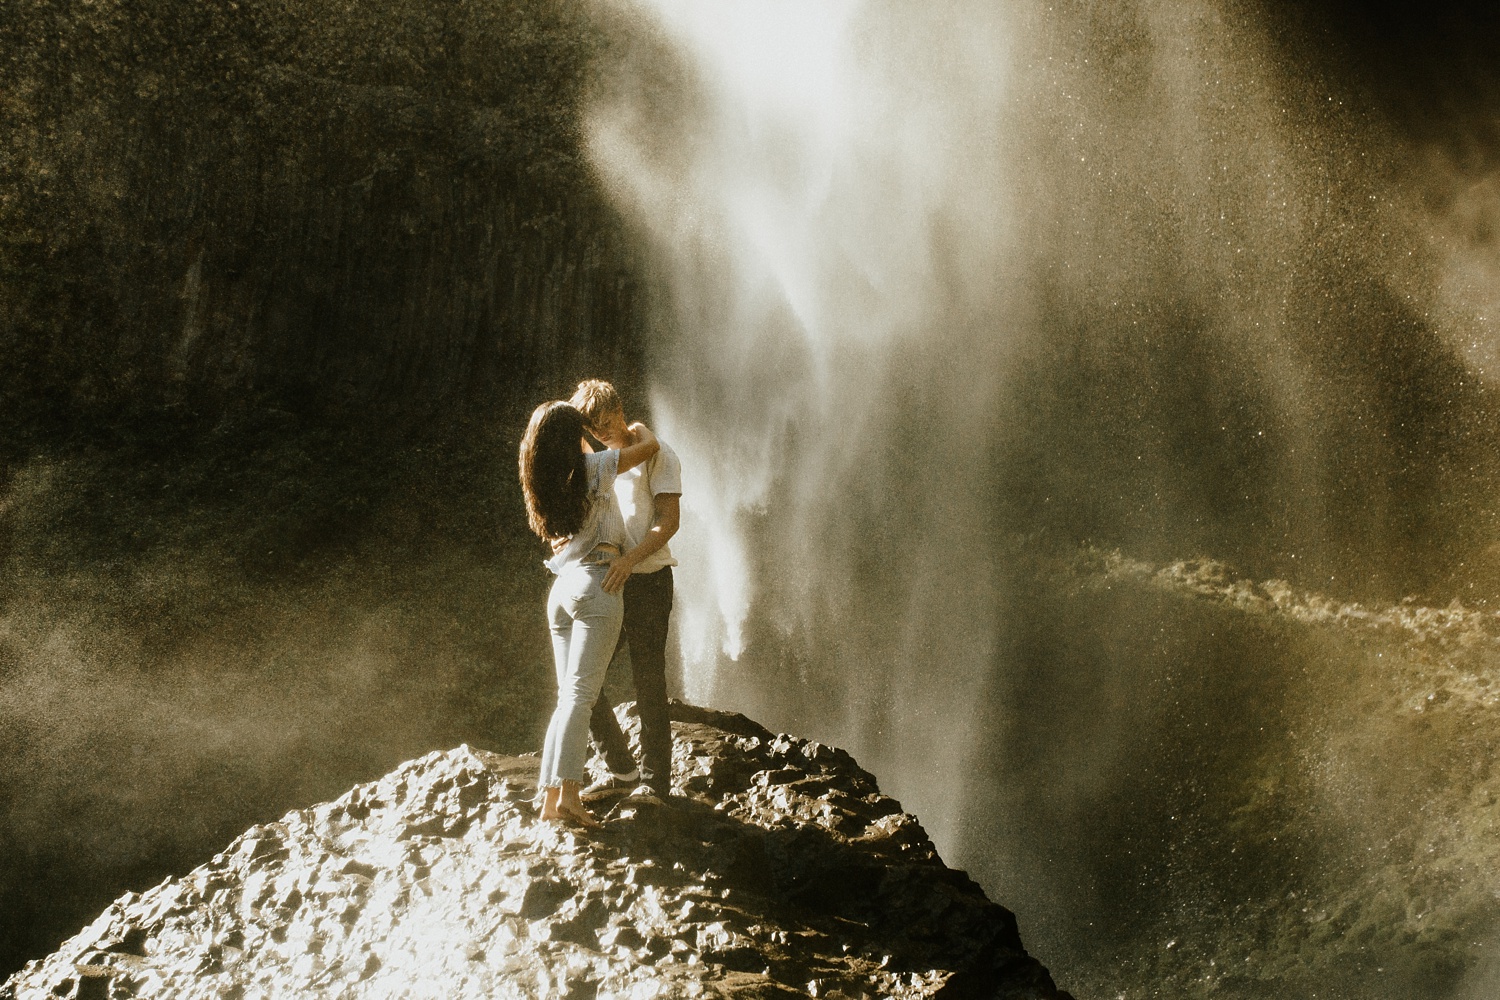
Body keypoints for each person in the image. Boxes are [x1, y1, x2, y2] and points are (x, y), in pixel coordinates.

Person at [519, 400, 658, 826]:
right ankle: (571, 798)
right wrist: (637, 427)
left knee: (567, 699)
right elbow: (648, 448)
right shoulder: (595, 467)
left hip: (561, 591)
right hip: (597, 584)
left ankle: (549, 799)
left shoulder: (543, 480)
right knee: (581, 697)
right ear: (573, 438)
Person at [568, 379, 682, 802]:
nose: (602, 434)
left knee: (648, 681)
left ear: (620, 409)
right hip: (612, 584)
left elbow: (668, 522)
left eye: (606, 423)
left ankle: (656, 783)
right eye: (593, 430)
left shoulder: (660, 455)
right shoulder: (607, 461)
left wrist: (630, 560)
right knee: (585, 679)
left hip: (649, 581)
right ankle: (622, 771)